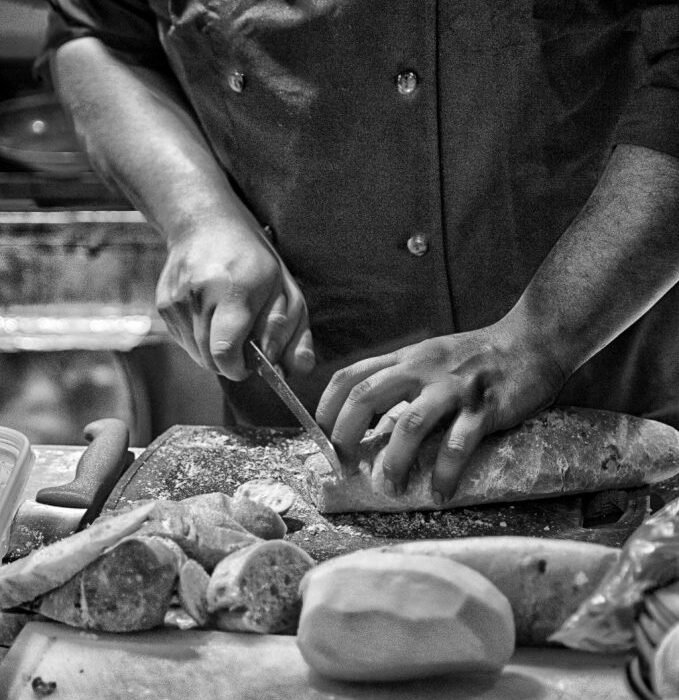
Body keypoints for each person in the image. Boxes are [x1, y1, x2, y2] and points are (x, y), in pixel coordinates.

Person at [41, 1, 679, 504]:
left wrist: (542, 337)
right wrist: (198, 215)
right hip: (298, 458)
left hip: (618, 421)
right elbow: (99, 35)